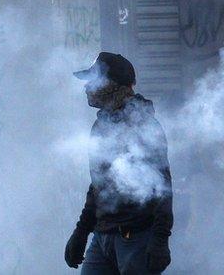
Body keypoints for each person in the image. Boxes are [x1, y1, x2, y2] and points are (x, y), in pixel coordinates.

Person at [64, 52, 173, 274]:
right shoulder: (101, 126)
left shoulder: (143, 125)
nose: (87, 88)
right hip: (103, 236)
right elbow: (99, 186)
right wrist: (82, 231)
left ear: (114, 85)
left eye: (94, 81)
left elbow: (163, 187)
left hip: (135, 239)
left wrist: (160, 239)